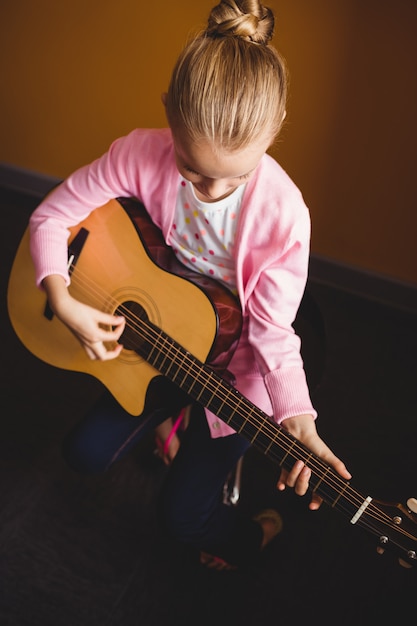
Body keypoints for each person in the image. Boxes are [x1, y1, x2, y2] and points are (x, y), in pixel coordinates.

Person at [29, 0, 351, 569]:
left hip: (234, 375)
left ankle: (254, 533)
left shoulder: (285, 216)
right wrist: (59, 293)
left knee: (183, 519)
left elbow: (273, 334)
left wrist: (299, 418)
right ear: (168, 114)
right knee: (81, 453)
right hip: (158, 343)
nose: (208, 190)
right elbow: (53, 218)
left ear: (274, 131)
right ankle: (169, 422)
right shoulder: (139, 152)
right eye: (191, 168)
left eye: (235, 176)